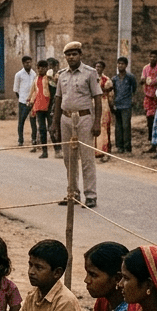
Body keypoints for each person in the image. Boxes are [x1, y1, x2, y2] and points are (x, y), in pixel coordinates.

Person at [52, 42, 103, 208]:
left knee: (87, 158)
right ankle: (72, 193)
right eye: (68, 55)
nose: (71, 57)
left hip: (84, 118)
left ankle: (91, 195)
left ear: (80, 55)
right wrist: (55, 123)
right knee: (69, 159)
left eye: (74, 54)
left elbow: (97, 98)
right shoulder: (62, 75)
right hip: (66, 119)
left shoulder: (90, 73)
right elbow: (58, 98)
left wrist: (97, 122)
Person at [111, 57, 138, 154]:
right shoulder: (114, 79)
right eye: (118, 64)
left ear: (126, 65)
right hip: (117, 104)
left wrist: (133, 99)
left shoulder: (130, 77)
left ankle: (127, 147)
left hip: (126, 104)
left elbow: (134, 89)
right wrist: (112, 103)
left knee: (126, 126)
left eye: (122, 64)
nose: (120, 66)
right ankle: (119, 146)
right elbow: (112, 92)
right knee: (118, 126)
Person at [29, 58, 54, 158]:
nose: (41, 70)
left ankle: (57, 149)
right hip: (39, 106)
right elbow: (34, 92)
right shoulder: (35, 79)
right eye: (39, 68)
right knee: (42, 129)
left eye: (43, 68)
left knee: (52, 128)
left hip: (49, 106)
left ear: (46, 68)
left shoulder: (49, 78)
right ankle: (44, 151)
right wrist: (31, 102)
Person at [14, 55, 38, 147]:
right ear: (23, 63)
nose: (29, 64)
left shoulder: (34, 74)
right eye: (27, 63)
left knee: (33, 121)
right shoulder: (19, 75)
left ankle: (34, 139)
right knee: (21, 122)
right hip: (23, 102)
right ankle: (20, 140)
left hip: (32, 101)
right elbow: (16, 90)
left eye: (30, 62)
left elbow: (35, 88)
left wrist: (32, 99)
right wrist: (22, 99)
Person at [141, 50, 157, 145]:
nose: (152, 59)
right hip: (148, 97)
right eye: (151, 57)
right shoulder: (146, 68)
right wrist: (143, 80)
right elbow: (142, 79)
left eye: (154, 57)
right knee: (149, 119)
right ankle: (150, 140)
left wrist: (154, 81)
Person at [94, 59, 114, 161]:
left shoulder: (107, 80)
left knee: (104, 126)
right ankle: (94, 150)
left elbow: (110, 94)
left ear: (103, 68)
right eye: (96, 67)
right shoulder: (91, 78)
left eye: (100, 67)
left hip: (103, 103)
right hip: (93, 103)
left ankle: (104, 151)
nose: (98, 68)